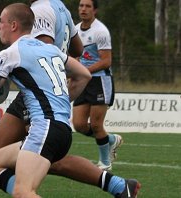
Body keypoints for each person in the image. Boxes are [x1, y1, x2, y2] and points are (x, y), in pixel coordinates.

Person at [0, 2, 141, 198]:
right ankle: (118, 186)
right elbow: (83, 70)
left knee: (24, 185)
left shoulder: (15, 46)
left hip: (42, 118)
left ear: (14, 25)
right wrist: (59, 98)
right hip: (59, 122)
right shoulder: (60, 13)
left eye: (1, 22)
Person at [72, 0, 122, 171]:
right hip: (84, 81)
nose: (83, 9)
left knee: (95, 125)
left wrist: (84, 71)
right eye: (81, 6)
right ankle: (111, 140)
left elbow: (106, 61)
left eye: (87, 6)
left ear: (95, 10)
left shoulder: (101, 31)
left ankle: (105, 162)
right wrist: (75, 73)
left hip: (100, 81)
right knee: (78, 124)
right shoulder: (75, 30)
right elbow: (77, 56)